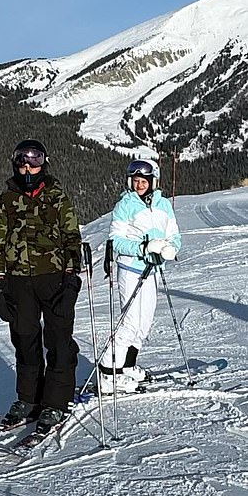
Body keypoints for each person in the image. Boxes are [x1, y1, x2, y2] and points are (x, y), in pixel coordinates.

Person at [0, 139, 82, 432]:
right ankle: (29, 398)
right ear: (14, 163)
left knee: (58, 340)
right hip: (18, 281)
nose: (28, 167)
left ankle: (56, 401)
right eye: (22, 161)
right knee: (25, 340)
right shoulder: (5, 201)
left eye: (35, 160)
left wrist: (71, 277)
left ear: (44, 162)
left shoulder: (57, 197)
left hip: (53, 278)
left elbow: (71, 238)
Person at [98, 158, 181, 394]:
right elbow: (115, 242)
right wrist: (143, 249)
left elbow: (174, 234)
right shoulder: (125, 205)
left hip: (153, 270)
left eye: (143, 180)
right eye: (135, 180)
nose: (139, 184)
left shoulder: (163, 204)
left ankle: (128, 366)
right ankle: (108, 373)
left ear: (153, 181)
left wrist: (170, 248)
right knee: (130, 322)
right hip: (131, 269)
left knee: (143, 324)